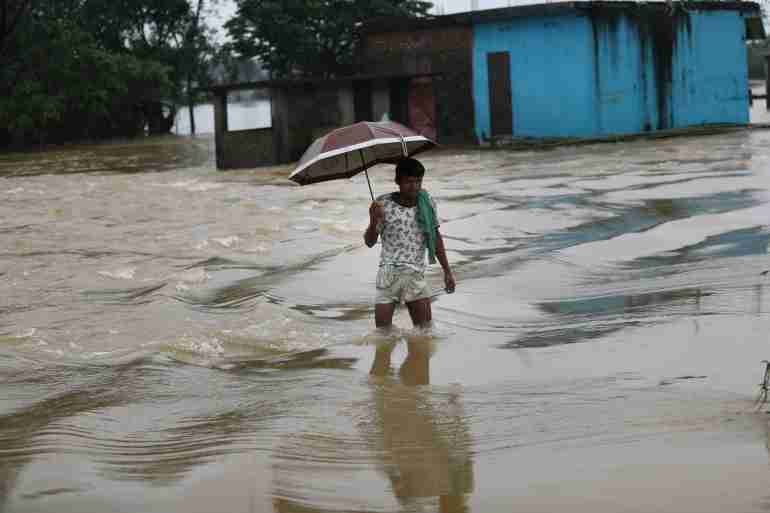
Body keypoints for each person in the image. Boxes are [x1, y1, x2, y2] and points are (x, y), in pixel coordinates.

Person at [363, 157, 455, 329]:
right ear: (397, 181)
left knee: (424, 334)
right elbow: (369, 242)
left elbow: (436, 238)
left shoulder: (426, 203)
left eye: (418, 181)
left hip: (415, 275)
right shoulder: (383, 204)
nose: (414, 187)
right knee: (383, 336)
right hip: (388, 275)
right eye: (408, 182)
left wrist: (447, 272)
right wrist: (372, 219)